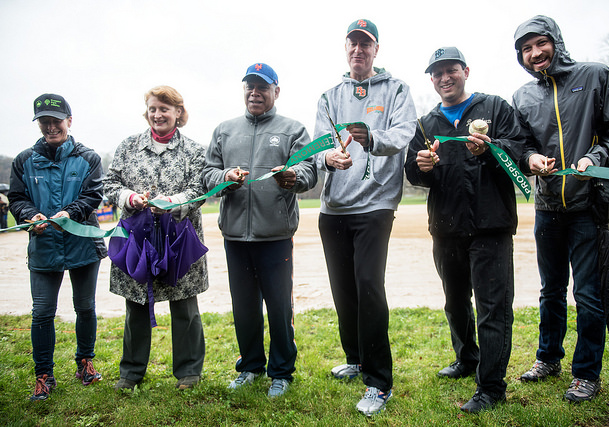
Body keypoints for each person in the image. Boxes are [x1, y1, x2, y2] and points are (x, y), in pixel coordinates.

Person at [512, 15, 609, 402]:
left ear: (555, 41)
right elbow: (521, 142)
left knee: (589, 293)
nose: (535, 54)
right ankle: (548, 358)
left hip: (591, 205)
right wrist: (531, 157)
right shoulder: (523, 97)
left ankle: (586, 373)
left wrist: (595, 156)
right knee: (551, 290)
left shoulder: (596, 75)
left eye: (539, 44)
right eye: (526, 49)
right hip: (548, 206)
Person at [404, 47, 525, 413]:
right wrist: (421, 165)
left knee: (493, 309)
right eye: (437, 72)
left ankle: (490, 386)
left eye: (451, 70)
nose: (444, 77)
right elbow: (411, 169)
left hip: (491, 226)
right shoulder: (426, 123)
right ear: (431, 79)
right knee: (456, 303)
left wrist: (488, 151)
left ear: (465, 71)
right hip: (446, 228)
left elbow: (517, 150)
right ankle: (466, 357)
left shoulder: (496, 108)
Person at [313, 19, 416, 417]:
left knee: (369, 285)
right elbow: (321, 143)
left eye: (366, 44)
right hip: (333, 207)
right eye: (352, 44)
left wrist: (370, 140)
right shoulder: (329, 95)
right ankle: (355, 359)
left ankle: (378, 381)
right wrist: (328, 157)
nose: (358, 50)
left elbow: (404, 131)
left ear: (376, 50)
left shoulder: (396, 90)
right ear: (346, 48)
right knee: (345, 291)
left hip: (375, 205)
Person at [202, 63, 317, 398]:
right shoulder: (225, 129)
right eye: (249, 87)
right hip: (235, 235)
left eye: (262, 87)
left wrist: (291, 176)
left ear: (276, 91)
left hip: (275, 235)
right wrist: (225, 178)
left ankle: (281, 372)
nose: (255, 93)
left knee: (279, 306)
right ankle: (250, 366)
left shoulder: (293, 129)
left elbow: (308, 169)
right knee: (244, 306)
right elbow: (207, 173)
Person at [104, 85, 209, 391]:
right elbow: (109, 183)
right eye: (152, 108)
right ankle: (130, 374)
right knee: (135, 305)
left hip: (179, 239)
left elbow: (199, 189)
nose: (158, 114)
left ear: (178, 112)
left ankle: (189, 372)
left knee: (185, 306)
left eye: (164, 108)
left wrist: (173, 203)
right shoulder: (128, 146)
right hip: (138, 239)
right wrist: (130, 197)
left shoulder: (194, 150)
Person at [9, 94, 106, 401]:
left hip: (82, 243)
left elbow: (94, 195)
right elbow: (17, 198)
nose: (51, 127)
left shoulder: (88, 157)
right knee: (41, 312)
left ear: (69, 121)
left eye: (56, 121)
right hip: (44, 245)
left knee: (85, 306)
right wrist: (28, 216)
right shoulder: (23, 160)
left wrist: (70, 212)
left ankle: (85, 362)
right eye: (44, 122)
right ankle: (44, 375)